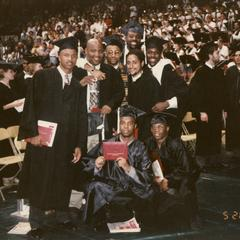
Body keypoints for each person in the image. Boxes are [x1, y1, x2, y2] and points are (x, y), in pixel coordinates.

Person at [17, 37, 88, 239]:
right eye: (66, 55)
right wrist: (32, 135)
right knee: (41, 178)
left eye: (74, 55)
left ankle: (62, 216)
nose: (70, 59)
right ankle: (37, 222)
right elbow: (30, 106)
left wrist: (79, 144)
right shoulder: (43, 77)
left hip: (66, 141)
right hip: (44, 140)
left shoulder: (76, 82)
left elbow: (81, 115)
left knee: (63, 178)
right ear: (58, 56)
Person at [80, 106, 153, 230]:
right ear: (119, 125)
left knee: (150, 194)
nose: (126, 126)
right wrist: (96, 165)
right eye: (123, 123)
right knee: (94, 186)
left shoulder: (141, 147)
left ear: (135, 126)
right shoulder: (109, 143)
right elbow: (86, 162)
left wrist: (128, 168)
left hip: (131, 190)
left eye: (130, 124)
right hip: (111, 187)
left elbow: (148, 176)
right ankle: (90, 226)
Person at [145, 113, 201, 229]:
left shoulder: (175, 143)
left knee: (186, 188)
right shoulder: (149, 143)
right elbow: (146, 164)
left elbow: (186, 168)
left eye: (160, 127)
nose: (156, 130)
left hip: (185, 173)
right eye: (154, 127)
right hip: (164, 174)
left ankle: (193, 217)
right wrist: (154, 177)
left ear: (167, 128)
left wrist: (168, 180)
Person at [78, 38, 125, 141]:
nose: (97, 54)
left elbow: (119, 92)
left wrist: (110, 105)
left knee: (102, 149)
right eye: (93, 51)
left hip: (103, 119)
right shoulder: (77, 70)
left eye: (100, 51)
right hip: (81, 119)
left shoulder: (110, 71)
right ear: (85, 51)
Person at [190, 42, 227, 169]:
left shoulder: (219, 72)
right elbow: (194, 95)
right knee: (205, 136)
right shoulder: (200, 73)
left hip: (216, 111)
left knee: (215, 135)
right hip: (204, 111)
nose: (219, 54)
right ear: (210, 55)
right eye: (217, 52)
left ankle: (214, 161)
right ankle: (202, 163)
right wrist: (200, 111)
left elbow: (223, 92)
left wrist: (224, 109)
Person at [145, 36, 189, 138]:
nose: (152, 55)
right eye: (149, 52)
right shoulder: (144, 69)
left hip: (167, 116)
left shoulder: (167, 68)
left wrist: (167, 103)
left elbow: (184, 92)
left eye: (156, 53)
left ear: (161, 54)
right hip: (149, 117)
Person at [126, 49, 161, 141]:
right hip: (131, 124)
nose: (131, 66)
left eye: (134, 63)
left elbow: (152, 108)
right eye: (128, 63)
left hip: (146, 127)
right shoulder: (128, 79)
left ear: (141, 63)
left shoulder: (150, 81)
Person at [225, 48, 240, 157]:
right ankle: (232, 148)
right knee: (232, 126)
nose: (238, 57)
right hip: (232, 104)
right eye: (236, 55)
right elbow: (226, 89)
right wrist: (225, 108)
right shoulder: (231, 70)